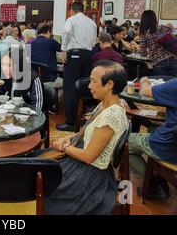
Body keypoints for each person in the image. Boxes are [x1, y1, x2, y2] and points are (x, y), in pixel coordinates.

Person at [42, 60, 129, 214]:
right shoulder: (107, 104)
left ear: (109, 84)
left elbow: (88, 156)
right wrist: (68, 138)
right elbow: (91, 130)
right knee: (39, 165)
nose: (89, 86)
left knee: (43, 182)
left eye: (93, 81)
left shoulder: (112, 116)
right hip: (84, 165)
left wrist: (66, 147)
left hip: (90, 176)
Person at [129, 77, 177, 199]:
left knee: (121, 142)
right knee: (152, 128)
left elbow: (145, 91)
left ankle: (153, 183)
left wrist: (145, 80)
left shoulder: (174, 86)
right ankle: (158, 176)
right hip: (171, 140)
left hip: (168, 146)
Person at [58, 1, 97, 131]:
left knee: (70, 89)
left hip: (74, 56)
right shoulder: (92, 22)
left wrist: (63, 50)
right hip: (88, 56)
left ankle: (70, 123)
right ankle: (85, 120)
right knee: (85, 87)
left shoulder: (71, 19)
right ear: (83, 10)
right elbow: (93, 40)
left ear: (71, 10)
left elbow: (67, 33)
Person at [138, 10, 177, 76]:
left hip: (158, 63)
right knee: (173, 84)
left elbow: (143, 53)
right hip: (172, 60)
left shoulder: (144, 33)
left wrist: (138, 48)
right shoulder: (163, 28)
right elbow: (172, 40)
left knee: (161, 84)